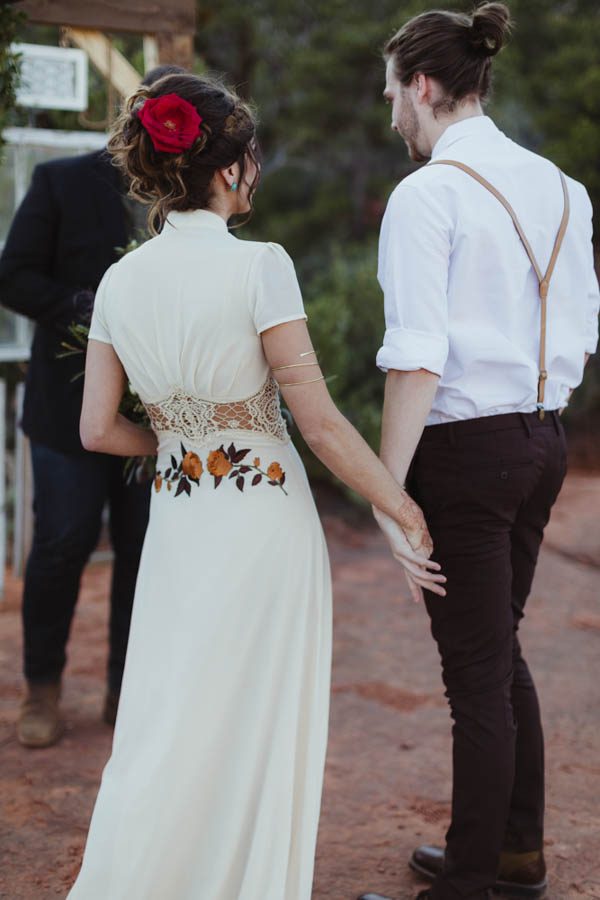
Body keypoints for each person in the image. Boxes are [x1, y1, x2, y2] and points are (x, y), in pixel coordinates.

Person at [65, 72, 444, 899]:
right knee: (253, 720)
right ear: (230, 168)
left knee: (170, 713)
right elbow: (321, 424)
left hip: (179, 517)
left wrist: (175, 440)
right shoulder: (261, 266)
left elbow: (97, 429)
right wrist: (400, 503)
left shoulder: (122, 280)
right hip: (263, 523)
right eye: (253, 160)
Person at [358, 4, 599, 900]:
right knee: (499, 651)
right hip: (543, 439)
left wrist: (387, 493)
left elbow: (416, 358)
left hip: (463, 452)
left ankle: (467, 884)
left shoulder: (429, 195)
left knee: (475, 675)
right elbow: (583, 327)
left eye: (392, 94)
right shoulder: (564, 188)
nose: (390, 115)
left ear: (423, 86)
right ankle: (513, 854)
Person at [0, 65, 185, 747]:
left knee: (144, 553)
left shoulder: (190, 198)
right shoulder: (62, 182)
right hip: (65, 414)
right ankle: (42, 690)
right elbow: (12, 275)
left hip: (154, 419)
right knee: (61, 543)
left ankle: (123, 694)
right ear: (137, 114)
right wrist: (94, 313)